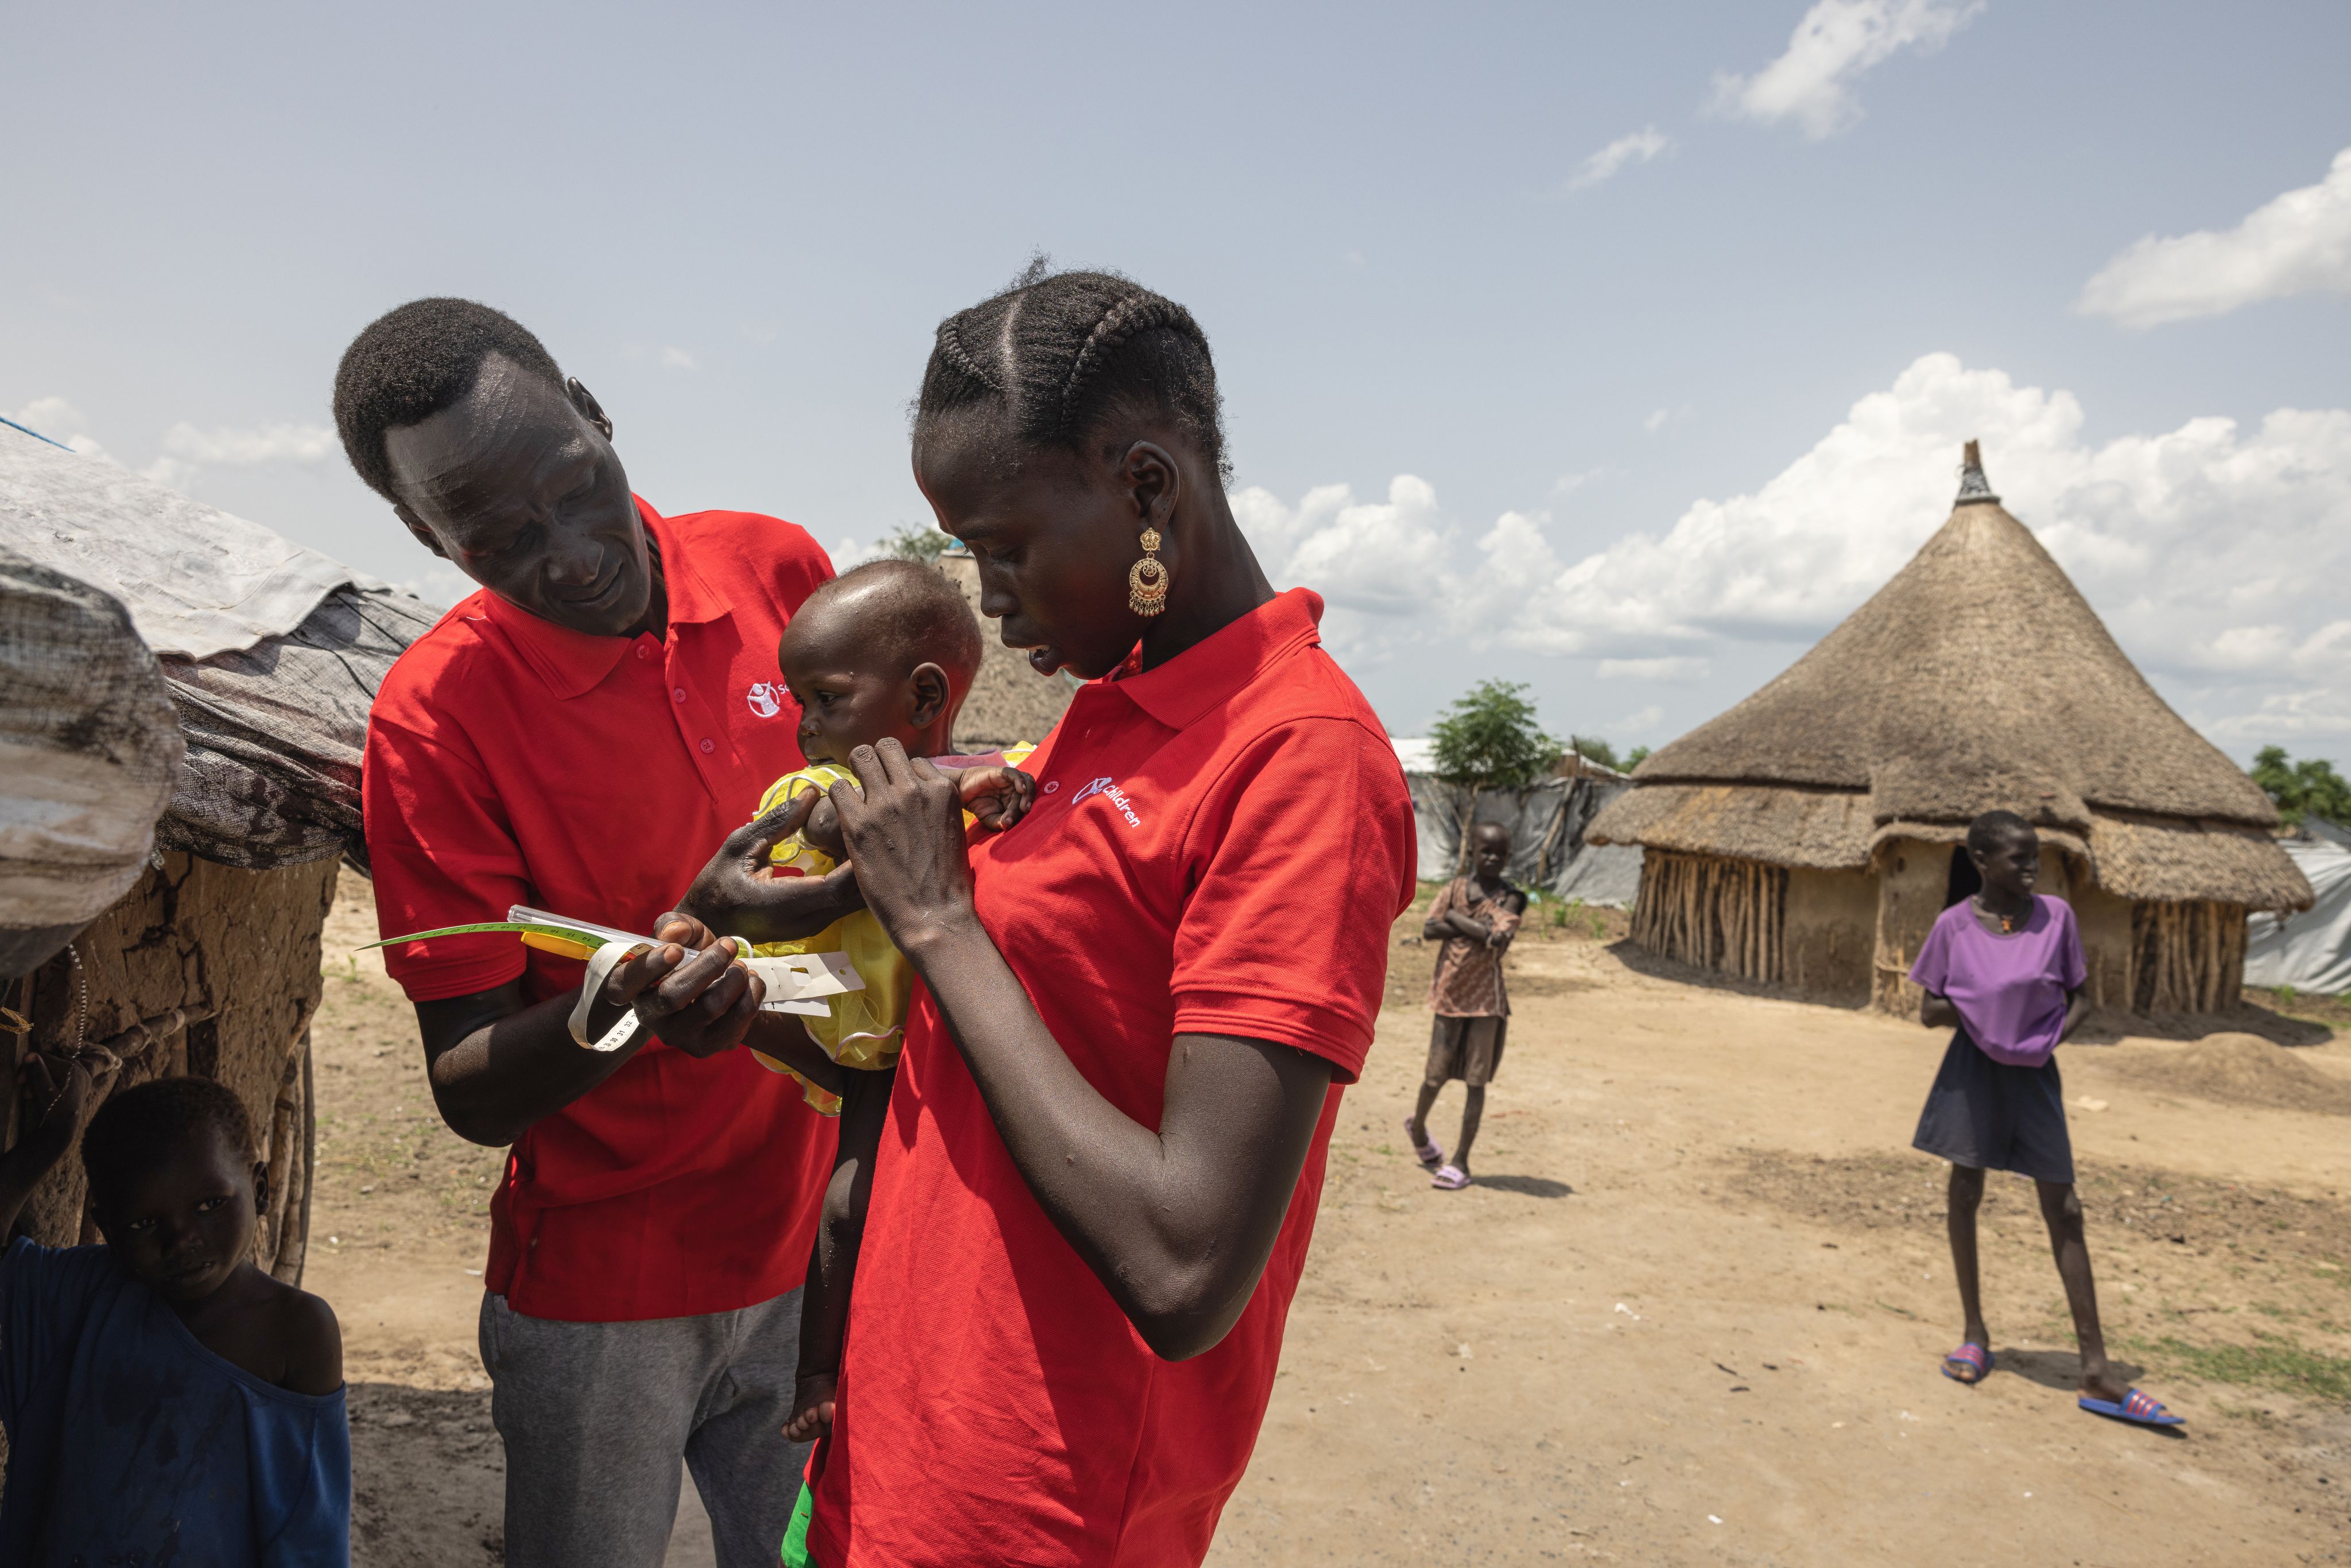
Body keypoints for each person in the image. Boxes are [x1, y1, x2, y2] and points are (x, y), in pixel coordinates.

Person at [677, 265, 1418, 1568]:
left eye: (1003, 547)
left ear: (1144, 490)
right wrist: (760, 1008)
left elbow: (1185, 1267)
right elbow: (980, 1065)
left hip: (1036, 1508)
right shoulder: (1102, 720)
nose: (985, 594)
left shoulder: (1302, 760)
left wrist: (940, 921)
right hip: (899, 1446)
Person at [338, 297, 851, 1567]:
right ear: (426, 535)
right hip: (605, 1292)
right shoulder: (435, 719)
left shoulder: (778, 571)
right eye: (496, 535)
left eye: (576, 485)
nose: (568, 553)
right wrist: (626, 1004)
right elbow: (467, 1086)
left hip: (823, 1247)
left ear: (595, 411)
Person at [674, 557, 1033, 1446]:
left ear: (920, 697)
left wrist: (986, 788)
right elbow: (841, 835)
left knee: (926, 1221)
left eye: (826, 700)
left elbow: (1013, 797)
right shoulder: (817, 795)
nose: (803, 728)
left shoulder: (1002, 773)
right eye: (798, 702)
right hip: (858, 1043)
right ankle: (816, 1374)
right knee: (846, 1204)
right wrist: (955, 801)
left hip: (946, 1050)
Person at [0, 1060, 348, 1563]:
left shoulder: (295, 1329)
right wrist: (51, 1141)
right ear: (109, 1228)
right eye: (143, 1222)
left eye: (210, 1205)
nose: (182, 1240)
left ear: (262, 1190)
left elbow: (310, 1528)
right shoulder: (81, 1294)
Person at [1910, 809, 2182, 1428]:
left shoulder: (2056, 916)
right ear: (1981, 861)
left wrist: (2043, 1039)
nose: (2032, 865)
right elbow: (1929, 1007)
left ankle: (2095, 1367)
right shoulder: (1953, 925)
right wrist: (1982, 1019)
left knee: (2064, 1207)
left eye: (2036, 854)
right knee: (1964, 1190)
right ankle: (1974, 1332)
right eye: (2018, 856)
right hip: (1973, 1071)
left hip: (2035, 1075)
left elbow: (2080, 995)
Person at [1406, 821, 1525, 1190]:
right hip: (1449, 996)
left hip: (1487, 1004)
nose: (1492, 858)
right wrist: (1470, 925)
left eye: (1500, 854)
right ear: (1471, 851)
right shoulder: (1455, 888)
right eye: (1485, 851)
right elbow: (1428, 929)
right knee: (1433, 1077)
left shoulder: (1512, 897)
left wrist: (1455, 919)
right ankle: (1420, 1127)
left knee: (1476, 1082)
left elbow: (1496, 938)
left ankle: (1460, 1161)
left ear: (1508, 857)